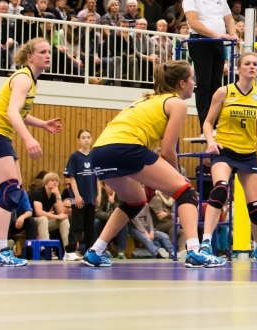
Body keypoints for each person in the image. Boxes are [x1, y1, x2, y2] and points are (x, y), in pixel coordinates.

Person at [81, 61, 213, 268]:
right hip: (125, 147)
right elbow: (167, 150)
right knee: (187, 191)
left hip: (100, 152)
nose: (194, 83)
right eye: (191, 79)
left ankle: (95, 251)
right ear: (181, 83)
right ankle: (195, 252)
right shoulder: (176, 103)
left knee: (135, 201)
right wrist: (177, 175)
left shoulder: (147, 99)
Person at [0, 38, 62, 266]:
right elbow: (11, 112)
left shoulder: (31, 80)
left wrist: (42, 124)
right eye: (42, 52)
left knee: (15, 190)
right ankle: (0, 250)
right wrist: (29, 139)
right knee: (10, 190)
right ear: (30, 57)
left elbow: (19, 113)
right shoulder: (23, 78)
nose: (48, 55)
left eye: (49, 51)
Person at [201, 52, 257, 266]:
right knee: (220, 190)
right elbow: (208, 122)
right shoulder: (224, 92)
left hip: (247, 154)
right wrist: (210, 141)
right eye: (247, 63)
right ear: (238, 68)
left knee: (256, 205)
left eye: (255, 64)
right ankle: (205, 243)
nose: (252, 67)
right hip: (224, 151)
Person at [183, 0, 237, 132]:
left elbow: (229, 19)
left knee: (217, 85)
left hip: (218, 42)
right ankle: (204, 126)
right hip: (200, 41)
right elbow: (194, 23)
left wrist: (233, 33)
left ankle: (215, 124)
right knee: (204, 84)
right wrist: (216, 34)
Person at [63, 129, 101, 261]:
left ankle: (90, 252)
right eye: (83, 137)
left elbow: (97, 177)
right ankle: (69, 251)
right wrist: (77, 196)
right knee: (77, 225)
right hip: (79, 197)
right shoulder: (75, 157)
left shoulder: (94, 157)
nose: (86, 139)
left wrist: (99, 194)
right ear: (78, 140)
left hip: (91, 197)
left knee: (90, 226)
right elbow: (71, 178)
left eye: (88, 137)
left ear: (91, 139)